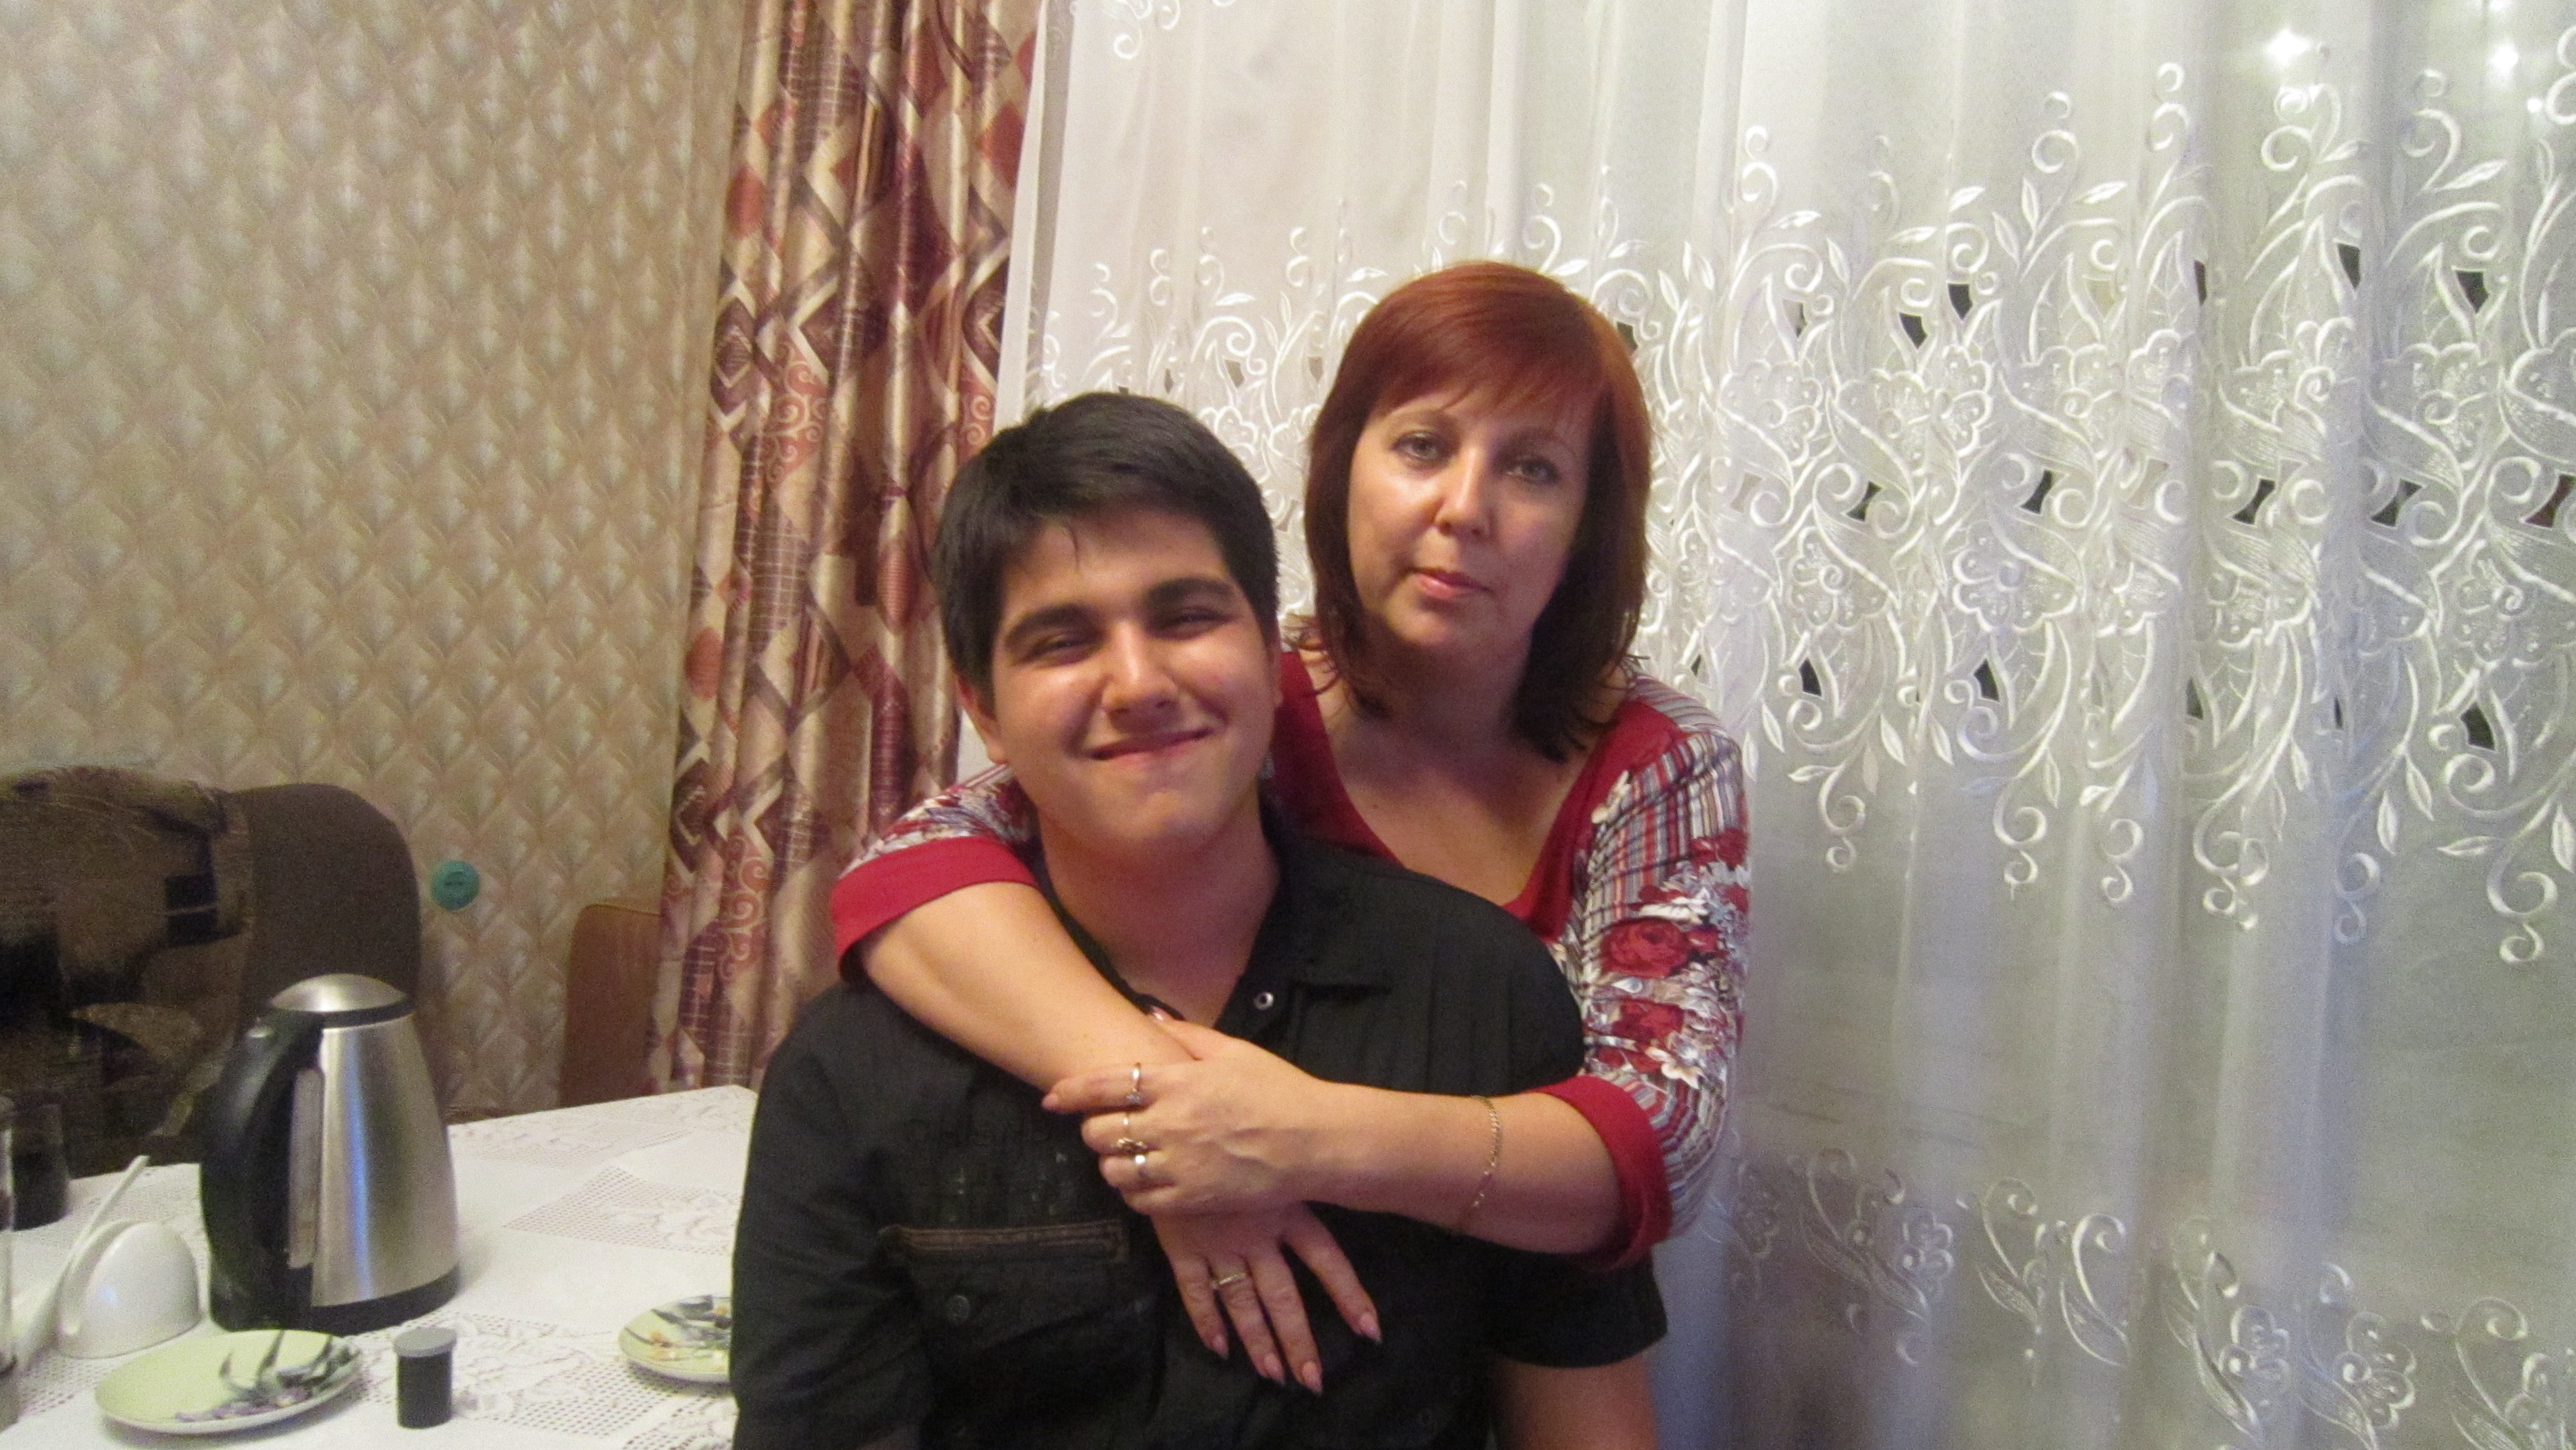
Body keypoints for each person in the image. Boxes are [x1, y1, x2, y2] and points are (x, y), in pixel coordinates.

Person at [833, 262, 1746, 1383]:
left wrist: (1293, 1140)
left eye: (1534, 468)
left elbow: (1663, 1142)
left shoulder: (1658, 763)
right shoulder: (1240, 700)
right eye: (1423, 446)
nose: (1465, 508)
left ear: (1586, 528)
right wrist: (1173, 1124)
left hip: (1519, 1332)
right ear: (1341, 470)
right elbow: (906, 868)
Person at [732, 392, 1662, 1449]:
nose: (1138, 683)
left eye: (1185, 618)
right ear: (981, 706)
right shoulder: (853, 1073)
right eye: (1061, 641)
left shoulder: (1479, 993)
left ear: (1271, 652)